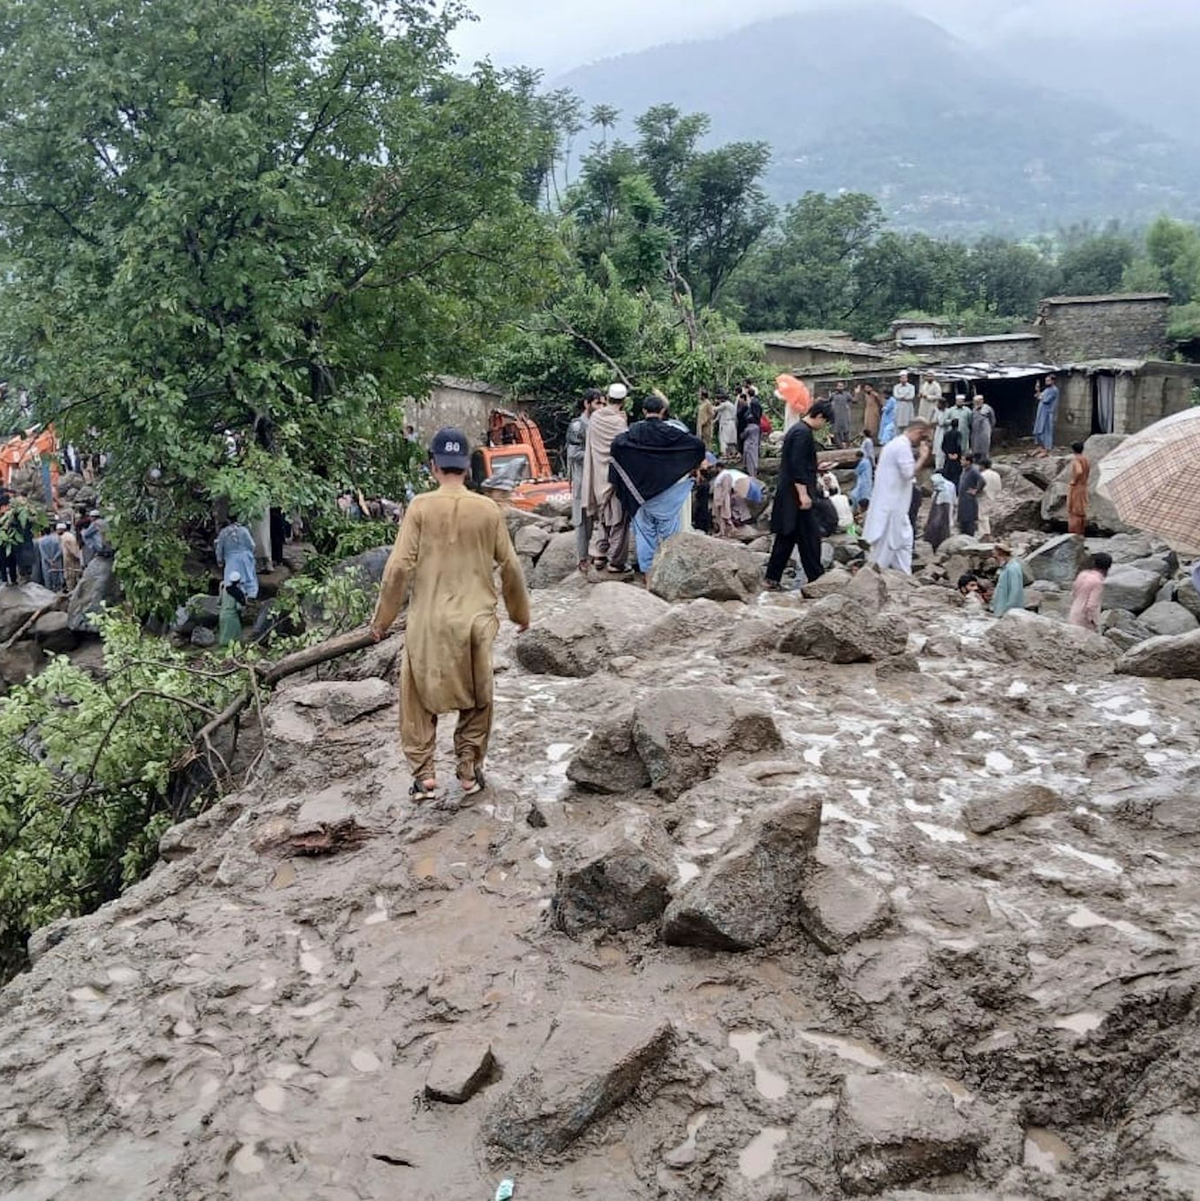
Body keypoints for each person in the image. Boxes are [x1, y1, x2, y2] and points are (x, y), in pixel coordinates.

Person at [371, 427, 531, 803]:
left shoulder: (420, 508)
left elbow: (398, 568)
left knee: (416, 697)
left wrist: (382, 620)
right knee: (478, 695)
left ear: (432, 467)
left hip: (428, 621)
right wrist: (520, 613)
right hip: (475, 621)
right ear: (467, 471)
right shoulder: (489, 509)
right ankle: (468, 769)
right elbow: (510, 567)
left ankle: (425, 776)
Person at [610, 394, 706, 575]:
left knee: (645, 536)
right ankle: (670, 576)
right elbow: (698, 446)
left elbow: (616, 446)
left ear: (644, 411)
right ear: (662, 411)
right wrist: (685, 467)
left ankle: (648, 577)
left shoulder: (633, 432)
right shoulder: (672, 432)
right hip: (668, 494)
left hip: (639, 495)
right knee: (670, 536)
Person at [766, 398, 834, 590]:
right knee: (810, 537)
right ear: (819, 416)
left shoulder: (797, 430)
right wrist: (803, 494)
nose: (824, 426)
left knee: (788, 537)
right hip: (796, 496)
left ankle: (772, 578)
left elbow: (799, 463)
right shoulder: (803, 433)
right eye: (825, 421)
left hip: (791, 494)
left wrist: (815, 467)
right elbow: (796, 466)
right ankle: (816, 578)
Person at [863, 419, 932, 574]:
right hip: (892, 507)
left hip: (895, 506)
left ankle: (904, 575)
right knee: (888, 545)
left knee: (905, 540)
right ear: (918, 432)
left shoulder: (894, 444)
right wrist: (922, 457)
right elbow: (908, 473)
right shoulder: (902, 446)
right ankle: (875, 575)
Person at [582, 383, 631, 575]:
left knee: (603, 516)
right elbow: (623, 449)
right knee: (619, 519)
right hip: (614, 477)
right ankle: (616, 562)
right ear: (624, 401)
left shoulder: (595, 418)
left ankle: (600, 554)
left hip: (597, 476)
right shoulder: (619, 422)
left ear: (607, 398)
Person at [566, 390, 599, 572]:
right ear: (587, 404)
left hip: (598, 479)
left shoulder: (599, 423)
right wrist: (596, 454)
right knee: (582, 521)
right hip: (581, 479)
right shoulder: (578, 426)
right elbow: (573, 454)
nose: (600, 407)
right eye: (596, 403)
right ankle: (582, 558)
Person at [712, 465, 764, 537]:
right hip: (731, 497)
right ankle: (725, 530)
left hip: (728, 499)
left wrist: (721, 500)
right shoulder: (728, 475)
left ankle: (731, 528)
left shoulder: (725, 476)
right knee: (726, 513)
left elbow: (726, 489)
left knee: (726, 514)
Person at [215, 515, 259, 599]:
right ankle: (251, 597)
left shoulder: (224, 532)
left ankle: (232, 601)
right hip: (245, 557)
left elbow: (219, 548)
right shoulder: (243, 530)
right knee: (249, 577)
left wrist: (219, 560)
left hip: (231, 559)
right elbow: (252, 545)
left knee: (231, 580)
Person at [1069, 552, 1111, 631]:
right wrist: (1094, 621)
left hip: (1073, 613)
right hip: (1084, 621)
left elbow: (1074, 592)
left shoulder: (1082, 575)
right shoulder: (1098, 582)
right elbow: (1091, 605)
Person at [990, 543, 1025, 617]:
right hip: (1001, 607)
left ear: (1002, 554)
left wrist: (1008, 610)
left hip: (1008, 611)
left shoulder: (1013, 568)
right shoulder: (1006, 567)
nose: (995, 560)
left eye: (996, 557)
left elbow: (1015, 591)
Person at [924, 472, 956, 550]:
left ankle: (935, 543)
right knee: (945, 523)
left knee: (937, 524)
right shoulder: (950, 484)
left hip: (942, 504)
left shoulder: (941, 486)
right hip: (947, 504)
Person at [218, 572, 247, 646]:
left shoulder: (225, 590)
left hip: (222, 614)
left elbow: (219, 601)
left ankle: (222, 646)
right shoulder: (237, 593)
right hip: (232, 616)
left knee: (223, 633)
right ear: (239, 581)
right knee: (235, 636)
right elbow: (239, 607)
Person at [958, 455, 984, 537]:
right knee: (962, 519)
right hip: (962, 499)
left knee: (969, 519)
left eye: (963, 460)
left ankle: (970, 536)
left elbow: (982, 480)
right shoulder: (964, 470)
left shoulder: (973, 470)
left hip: (969, 499)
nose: (961, 461)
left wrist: (976, 490)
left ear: (968, 462)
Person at [1067, 441, 1090, 536]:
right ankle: (1081, 533)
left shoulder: (1076, 459)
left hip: (1077, 487)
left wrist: (1073, 480)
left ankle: (1073, 535)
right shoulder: (1086, 459)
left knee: (1074, 511)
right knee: (1081, 511)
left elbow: (1079, 471)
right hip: (1084, 486)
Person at [1033, 374, 1059, 455]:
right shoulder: (1047, 389)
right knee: (1039, 429)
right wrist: (1038, 392)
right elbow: (1040, 396)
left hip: (1047, 413)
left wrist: (1040, 396)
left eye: (1048, 380)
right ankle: (1041, 447)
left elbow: (1046, 400)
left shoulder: (1054, 390)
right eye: (1046, 380)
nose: (1046, 382)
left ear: (1053, 381)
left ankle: (1047, 449)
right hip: (1041, 412)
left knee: (1046, 430)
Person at [977, 458, 1003, 540]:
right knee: (986, 515)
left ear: (982, 466)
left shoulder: (982, 475)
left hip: (984, 496)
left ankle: (985, 534)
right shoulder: (996, 474)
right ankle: (987, 533)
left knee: (981, 516)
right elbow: (999, 487)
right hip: (994, 496)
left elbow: (980, 486)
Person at [741, 387, 763, 478]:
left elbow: (742, 436)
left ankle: (751, 474)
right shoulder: (757, 401)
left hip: (749, 446)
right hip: (754, 441)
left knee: (750, 459)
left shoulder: (753, 403)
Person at [35, 523, 64, 591]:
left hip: (46, 563)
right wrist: (54, 559)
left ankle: (49, 593)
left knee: (47, 578)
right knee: (57, 577)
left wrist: (49, 560)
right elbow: (60, 550)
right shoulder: (56, 539)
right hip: (56, 561)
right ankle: (58, 591)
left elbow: (43, 553)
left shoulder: (41, 541)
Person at [970, 394, 995, 460]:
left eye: (978, 401)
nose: (977, 403)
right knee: (975, 448)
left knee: (984, 448)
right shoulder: (974, 410)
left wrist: (990, 429)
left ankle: (985, 462)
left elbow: (992, 419)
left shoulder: (987, 408)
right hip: (975, 432)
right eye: (975, 401)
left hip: (984, 431)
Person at [60, 520, 83, 591]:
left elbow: (71, 549)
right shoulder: (71, 535)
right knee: (76, 576)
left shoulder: (64, 537)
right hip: (74, 559)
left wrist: (76, 555)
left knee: (70, 577)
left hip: (69, 560)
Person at [715, 391, 738, 459]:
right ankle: (733, 453)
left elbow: (716, 409)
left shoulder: (725, 405)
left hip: (726, 424)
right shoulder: (731, 404)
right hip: (731, 424)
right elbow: (719, 414)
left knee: (723, 440)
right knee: (731, 441)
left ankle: (724, 454)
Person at [830, 382, 853, 448]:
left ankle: (848, 446)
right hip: (836, 416)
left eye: (841, 386)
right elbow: (827, 402)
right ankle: (839, 447)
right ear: (836, 387)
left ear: (844, 387)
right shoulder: (833, 395)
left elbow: (854, 401)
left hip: (844, 416)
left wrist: (857, 393)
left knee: (846, 431)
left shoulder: (847, 395)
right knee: (836, 432)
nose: (840, 388)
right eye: (839, 386)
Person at [941, 421, 964, 487]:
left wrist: (948, 454)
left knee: (947, 475)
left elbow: (943, 446)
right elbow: (958, 445)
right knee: (956, 477)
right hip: (956, 458)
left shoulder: (946, 434)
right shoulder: (958, 434)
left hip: (948, 458)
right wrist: (957, 454)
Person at [932, 397, 949, 470]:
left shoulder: (948, 412)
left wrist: (942, 422)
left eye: (939, 404)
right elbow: (933, 422)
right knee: (937, 451)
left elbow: (943, 422)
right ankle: (937, 468)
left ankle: (943, 468)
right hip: (938, 433)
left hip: (945, 433)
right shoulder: (937, 412)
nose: (938, 405)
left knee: (943, 451)